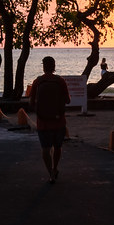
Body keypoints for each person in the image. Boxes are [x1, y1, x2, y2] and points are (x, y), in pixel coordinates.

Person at [29, 55, 71, 183]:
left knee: (45, 149)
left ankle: (50, 173)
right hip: (59, 121)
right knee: (57, 147)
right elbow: (68, 100)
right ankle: (55, 167)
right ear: (54, 66)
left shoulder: (38, 81)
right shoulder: (60, 81)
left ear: (43, 66)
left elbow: (31, 103)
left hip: (43, 122)